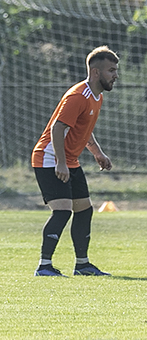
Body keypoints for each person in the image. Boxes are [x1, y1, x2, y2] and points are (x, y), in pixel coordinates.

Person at [32, 46, 120, 277]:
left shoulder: (96, 96)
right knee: (62, 211)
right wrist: (60, 163)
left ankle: (82, 265)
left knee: (84, 210)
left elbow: (83, 129)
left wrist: (97, 153)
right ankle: (44, 266)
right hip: (49, 158)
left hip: (69, 160)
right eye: (111, 70)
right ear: (95, 72)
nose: (116, 75)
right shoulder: (78, 96)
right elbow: (57, 128)